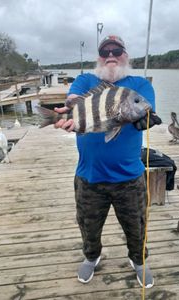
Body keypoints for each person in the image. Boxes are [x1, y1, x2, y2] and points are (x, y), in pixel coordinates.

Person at [54, 35, 161, 288]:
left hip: (129, 178)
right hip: (89, 177)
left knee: (136, 226)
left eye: (117, 51)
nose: (111, 55)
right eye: (105, 52)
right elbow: (73, 100)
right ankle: (92, 256)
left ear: (126, 56)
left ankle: (139, 260)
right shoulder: (85, 80)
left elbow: (144, 114)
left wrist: (142, 119)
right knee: (88, 225)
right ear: (98, 58)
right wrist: (68, 109)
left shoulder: (139, 85)